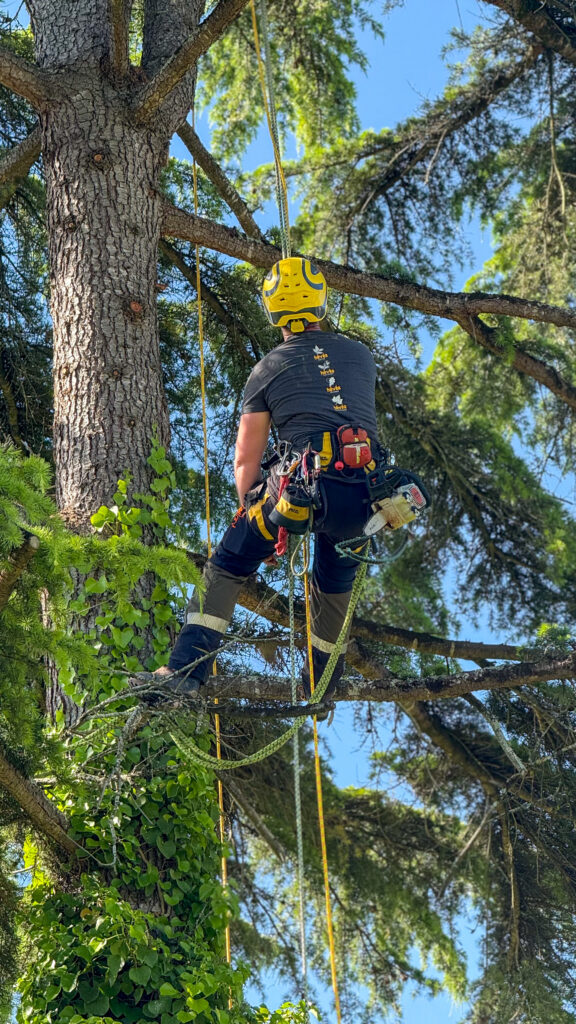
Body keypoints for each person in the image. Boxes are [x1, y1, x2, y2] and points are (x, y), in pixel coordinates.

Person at [155, 257, 421, 698]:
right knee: (333, 585)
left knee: (228, 565)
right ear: (321, 302)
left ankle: (185, 672)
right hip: (366, 496)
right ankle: (321, 686)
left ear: (271, 311)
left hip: (296, 492)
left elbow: (246, 459)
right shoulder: (361, 356)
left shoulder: (266, 369)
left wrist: (256, 521)